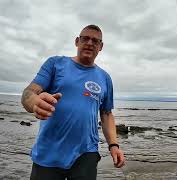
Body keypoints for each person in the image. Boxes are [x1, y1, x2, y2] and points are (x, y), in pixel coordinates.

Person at [21, 24, 125, 180]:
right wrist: (35, 102)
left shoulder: (105, 78)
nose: (90, 43)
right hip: (48, 153)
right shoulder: (55, 64)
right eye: (85, 38)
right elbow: (28, 93)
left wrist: (113, 145)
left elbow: (106, 114)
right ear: (77, 41)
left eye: (95, 41)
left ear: (101, 46)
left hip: (86, 154)